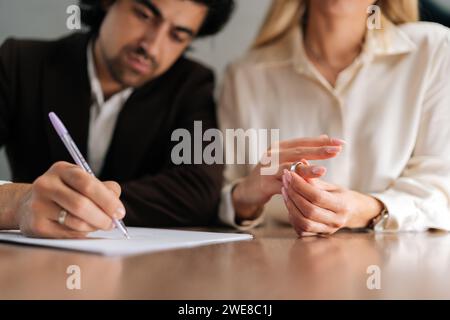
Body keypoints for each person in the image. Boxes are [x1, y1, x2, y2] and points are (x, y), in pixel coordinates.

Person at [0, 0, 235, 238]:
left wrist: (86, 202)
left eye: (178, 35)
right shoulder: (19, 62)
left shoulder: (192, 85)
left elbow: (200, 190)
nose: (151, 47)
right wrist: (19, 201)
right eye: (143, 15)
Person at [219, 0, 450, 235]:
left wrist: (364, 210)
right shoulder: (244, 75)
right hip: (278, 259)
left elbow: (441, 190)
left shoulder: (433, 50)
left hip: (400, 260)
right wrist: (244, 198)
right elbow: (221, 198)